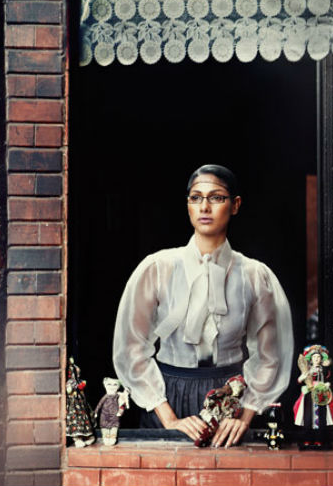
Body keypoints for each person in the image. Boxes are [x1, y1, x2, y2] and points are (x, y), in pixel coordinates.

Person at [113, 164, 293, 447]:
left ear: (235, 205)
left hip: (232, 399)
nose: (205, 207)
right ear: (188, 205)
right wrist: (170, 420)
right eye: (196, 198)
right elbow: (131, 348)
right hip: (166, 398)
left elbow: (271, 356)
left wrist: (244, 416)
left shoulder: (255, 276)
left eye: (216, 197)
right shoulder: (157, 268)